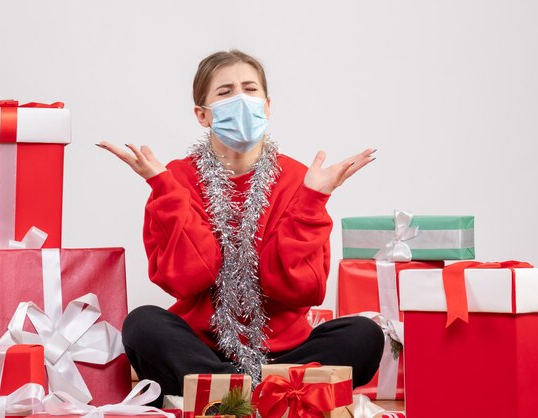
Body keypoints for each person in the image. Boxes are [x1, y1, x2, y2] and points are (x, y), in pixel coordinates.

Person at [99, 50, 384, 401]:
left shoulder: (300, 178)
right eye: (225, 92)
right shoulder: (175, 178)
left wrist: (312, 199)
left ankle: (229, 398)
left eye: (249, 89)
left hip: (285, 356)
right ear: (202, 114)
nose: (240, 99)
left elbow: (301, 290)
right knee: (142, 325)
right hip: (201, 350)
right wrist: (165, 188)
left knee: (363, 334)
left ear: (266, 106)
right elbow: (188, 279)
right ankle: (270, 397)